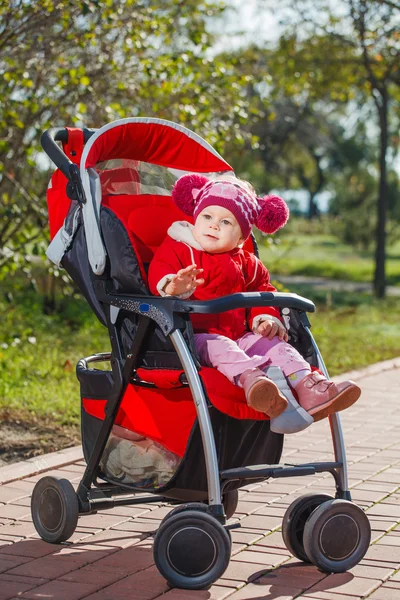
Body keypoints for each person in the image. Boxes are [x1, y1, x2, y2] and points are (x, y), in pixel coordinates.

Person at [148, 174, 361, 425]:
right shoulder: (179, 247)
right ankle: (254, 382)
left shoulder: (247, 262)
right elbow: (159, 272)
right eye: (207, 217)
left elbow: (262, 289)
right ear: (196, 218)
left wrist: (266, 318)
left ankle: (310, 387)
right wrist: (173, 284)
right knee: (221, 347)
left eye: (226, 221)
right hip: (195, 337)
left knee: (276, 345)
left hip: (240, 334)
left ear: (241, 237)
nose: (214, 225)